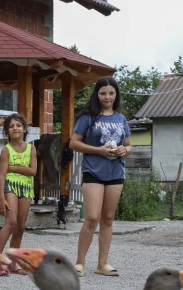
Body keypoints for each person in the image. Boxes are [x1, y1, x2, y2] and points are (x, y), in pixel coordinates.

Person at [70, 76, 131, 277]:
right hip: (93, 171)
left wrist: (125, 150)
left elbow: (129, 144)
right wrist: (98, 150)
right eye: (103, 93)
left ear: (116, 95)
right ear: (97, 94)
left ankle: (102, 264)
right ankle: (79, 262)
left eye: (111, 93)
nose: (107, 97)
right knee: (92, 217)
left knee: (108, 218)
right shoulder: (88, 117)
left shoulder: (121, 119)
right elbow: (74, 143)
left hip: (115, 172)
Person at [0, 113, 37, 276]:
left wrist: (12, 168)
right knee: (10, 222)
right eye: (11, 126)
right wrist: (1, 198)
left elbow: (33, 171)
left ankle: (13, 262)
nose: (15, 128)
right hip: (10, 185)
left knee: (20, 226)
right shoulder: (6, 150)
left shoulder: (31, 148)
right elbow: (2, 175)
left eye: (18, 125)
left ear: (24, 129)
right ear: (7, 131)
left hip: (26, 188)